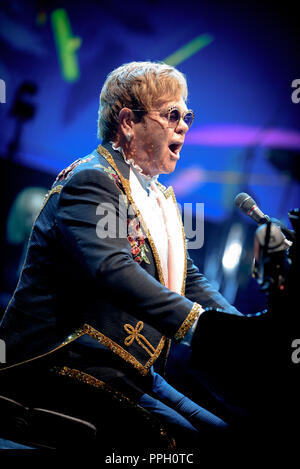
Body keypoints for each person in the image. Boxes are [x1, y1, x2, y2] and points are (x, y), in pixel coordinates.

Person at [0, 61, 244, 450]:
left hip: (120, 366)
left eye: (188, 116)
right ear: (128, 122)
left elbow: (189, 279)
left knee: (226, 437)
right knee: (189, 446)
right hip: (58, 358)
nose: (184, 125)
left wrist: (240, 330)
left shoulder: (157, 197)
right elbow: (112, 269)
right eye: (172, 115)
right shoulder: (92, 179)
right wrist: (202, 327)